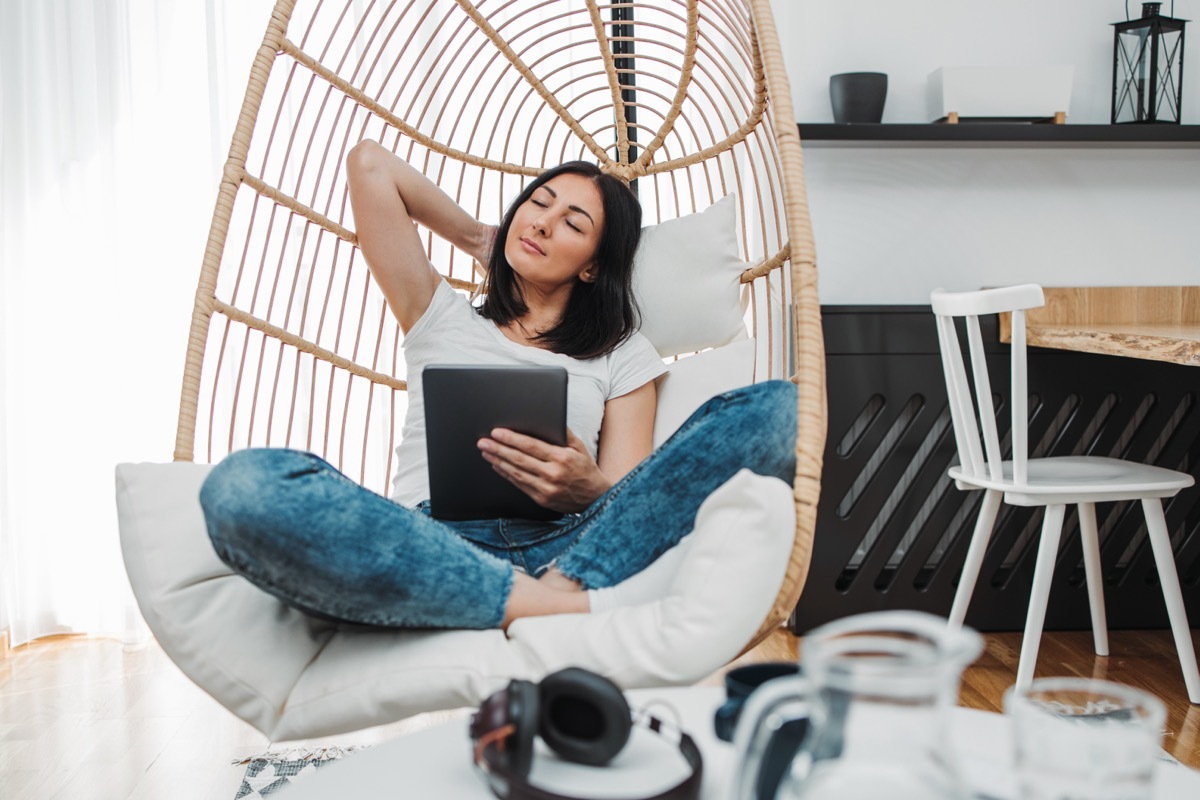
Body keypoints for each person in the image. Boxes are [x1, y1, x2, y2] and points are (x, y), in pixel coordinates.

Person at [199, 140, 797, 631]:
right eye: (538, 202)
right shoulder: (439, 315)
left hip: (566, 547)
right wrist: (479, 238)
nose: (541, 220)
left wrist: (588, 487)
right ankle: (541, 607)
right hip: (427, 540)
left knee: (784, 409)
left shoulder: (623, 355)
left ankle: (515, 596)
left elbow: (630, 499)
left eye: (572, 222)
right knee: (240, 488)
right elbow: (369, 164)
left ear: (593, 264)